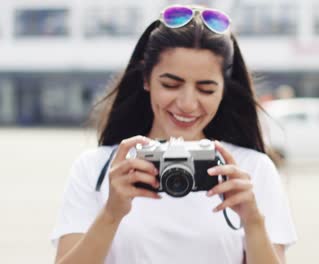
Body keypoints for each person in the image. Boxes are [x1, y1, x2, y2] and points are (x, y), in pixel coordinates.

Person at [51, 4, 297, 264]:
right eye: (170, 84)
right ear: (146, 78)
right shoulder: (97, 169)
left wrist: (252, 220)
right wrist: (112, 213)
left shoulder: (251, 170)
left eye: (206, 89)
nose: (187, 103)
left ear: (224, 90)